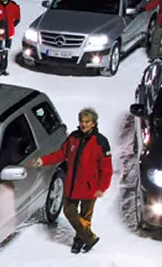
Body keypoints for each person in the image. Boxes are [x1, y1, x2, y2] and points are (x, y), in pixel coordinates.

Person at [34, 108, 112, 253]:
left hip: (90, 187)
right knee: (69, 210)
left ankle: (79, 241)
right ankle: (90, 238)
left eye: (87, 122)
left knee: (85, 216)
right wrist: (43, 160)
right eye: (81, 121)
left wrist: (102, 187)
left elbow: (106, 169)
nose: (83, 124)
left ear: (93, 123)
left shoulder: (101, 142)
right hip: (73, 184)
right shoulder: (73, 138)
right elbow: (61, 154)